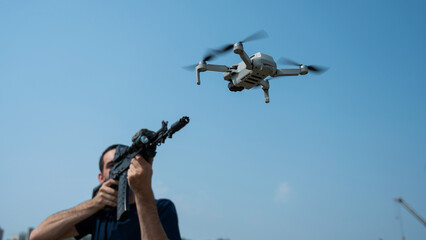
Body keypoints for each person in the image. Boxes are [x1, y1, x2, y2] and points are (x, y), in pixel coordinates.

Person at [30, 144, 182, 240]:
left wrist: (143, 193)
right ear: (101, 177)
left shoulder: (162, 208)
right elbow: (38, 236)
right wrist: (94, 204)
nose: (120, 169)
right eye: (111, 165)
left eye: (124, 162)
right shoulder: (99, 215)